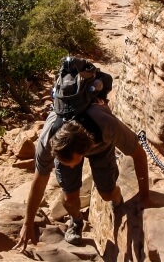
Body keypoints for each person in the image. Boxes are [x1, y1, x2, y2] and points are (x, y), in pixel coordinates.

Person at [15, 101, 151, 250]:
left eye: (73, 163)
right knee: (69, 199)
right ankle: (76, 221)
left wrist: (144, 196)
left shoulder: (105, 125)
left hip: (101, 145)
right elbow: (39, 182)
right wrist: (27, 223)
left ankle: (116, 197)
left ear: (84, 149)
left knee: (107, 193)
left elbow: (138, 153)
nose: (72, 168)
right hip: (71, 145)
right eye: (66, 163)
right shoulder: (48, 143)